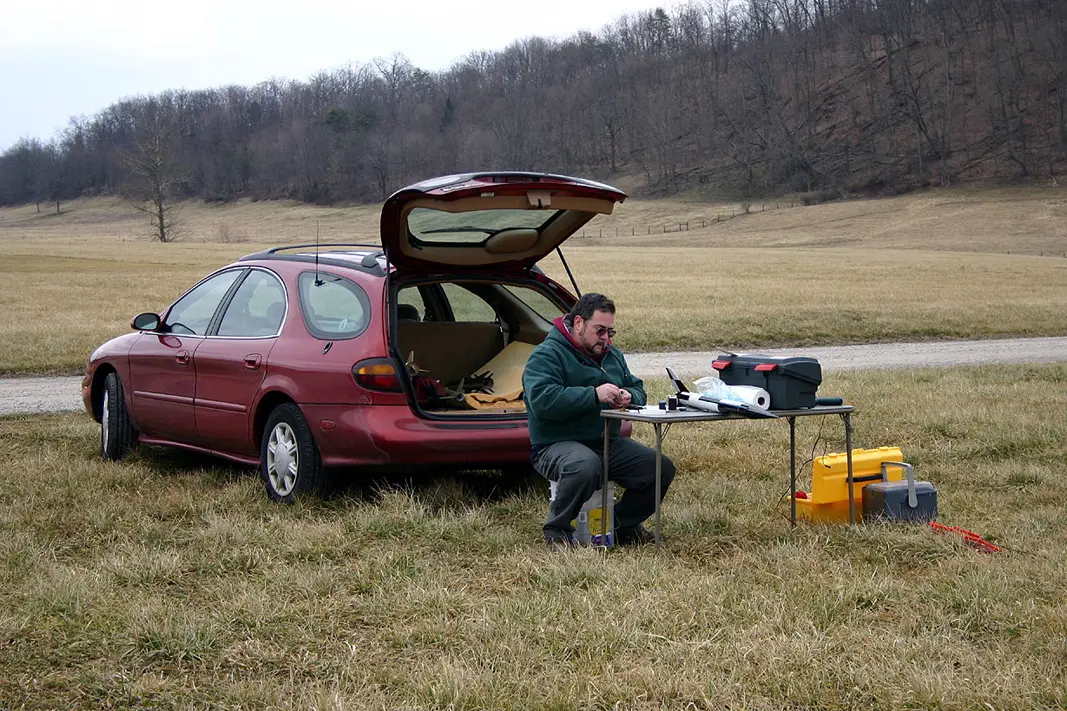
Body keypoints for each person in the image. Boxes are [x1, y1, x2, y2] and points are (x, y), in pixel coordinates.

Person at [522, 292, 676, 548]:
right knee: (585, 465)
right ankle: (557, 532)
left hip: (605, 442)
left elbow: (637, 388)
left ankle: (620, 526)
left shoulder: (611, 354)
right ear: (579, 323)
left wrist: (629, 396)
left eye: (610, 332)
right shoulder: (546, 355)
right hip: (554, 444)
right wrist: (593, 394)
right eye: (600, 330)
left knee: (660, 467)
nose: (605, 338)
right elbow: (542, 402)